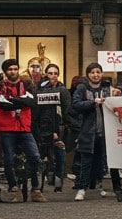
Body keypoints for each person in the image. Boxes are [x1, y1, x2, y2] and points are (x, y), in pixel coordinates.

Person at [70, 64, 122, 201]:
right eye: (93, 72)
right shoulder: (82, 88)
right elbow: (76, 104)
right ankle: (82, 188)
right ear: (88, 74)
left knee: (107, 161)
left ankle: (109, 187)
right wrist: (93, 102)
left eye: (98, 72)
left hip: (106, 131)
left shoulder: (106, 87)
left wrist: (118, 95)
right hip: (88, 131)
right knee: (86, 161)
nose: (96, 75)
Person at [0, 59, 44, 203]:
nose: (13, 72)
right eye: (10, 69)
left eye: (16, 69)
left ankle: (35, 188)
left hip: (24, 127)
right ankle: (14, 188)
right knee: (8, 160)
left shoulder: (26, 84)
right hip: (6, 128)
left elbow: (31, 102)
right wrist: (21, 101)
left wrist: (13, 100)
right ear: (5, 71)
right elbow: (3, 105)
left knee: (35, 157)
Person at [31, 64, 70, 194]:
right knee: (42, 158)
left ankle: (58, 185)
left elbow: (66, 110)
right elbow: (37, 112)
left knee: (60, 158)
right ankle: (40, 185)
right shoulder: (40, 91)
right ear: (46, 74)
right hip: (44, 129)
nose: (53, 76)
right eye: (50, 73)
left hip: (59, 128)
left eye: (55, 73)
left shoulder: (63, 90)